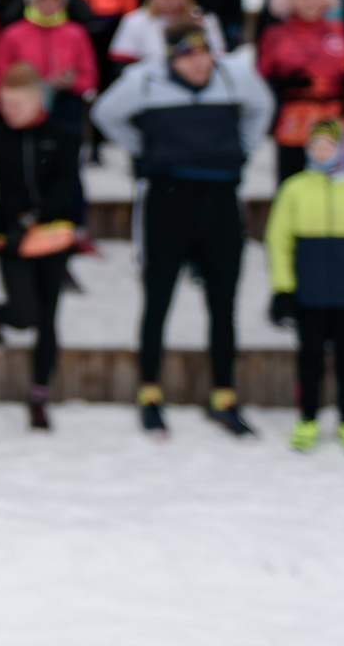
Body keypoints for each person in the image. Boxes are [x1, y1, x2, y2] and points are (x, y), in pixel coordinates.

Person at [93, 23, 274, 439]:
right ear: (172, 58)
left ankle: (224, 395)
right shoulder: (144, 80)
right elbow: (105, 114)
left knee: (222, 300)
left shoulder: (235, 77)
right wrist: (144, 148)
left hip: (220, 198)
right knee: (158, 297)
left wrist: (241, 149)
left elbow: (262, 108)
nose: (197, 62)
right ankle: (150, 392)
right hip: (167, 198)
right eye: (187, 55)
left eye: (203, 53)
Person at [263, 118, 344, 458]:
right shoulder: (295, 189)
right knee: (310, 358)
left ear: (342, 148)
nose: (321, 151)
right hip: (309, 294)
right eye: (315, 145)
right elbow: (278, 240)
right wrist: (283, 288)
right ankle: (308, 417)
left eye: (328, 145)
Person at [0, 63, 86, 430]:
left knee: (48, 318)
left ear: (38, 99)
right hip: (9, 239)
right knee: (24, 313)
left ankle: (39, 394)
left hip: (52, 236)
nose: (10, 110)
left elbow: (66, 188)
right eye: (4, 102)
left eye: (18, 103)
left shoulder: (65, 135)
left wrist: (31, 220)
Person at [259, 0, 344, 184]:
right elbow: (263, 75)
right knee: (295, 183)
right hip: (296, 122)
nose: (310, 2)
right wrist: (282, 85)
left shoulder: (339, 30)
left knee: (343, 184)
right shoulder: (276, 34)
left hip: (338, 118)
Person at [0, 0, 98, 113]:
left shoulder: (76, 34)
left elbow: (89, 77)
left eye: (54, 0)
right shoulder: (12, 34)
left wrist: (71, 83)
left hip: (66, 102)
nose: (48, 5)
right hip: (25, 104)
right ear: (31, 1)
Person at [109, 0, 203, 75]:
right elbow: (122, 65)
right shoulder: (134, 21)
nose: (169, 0)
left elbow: (216, 59)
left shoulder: (202, 20)